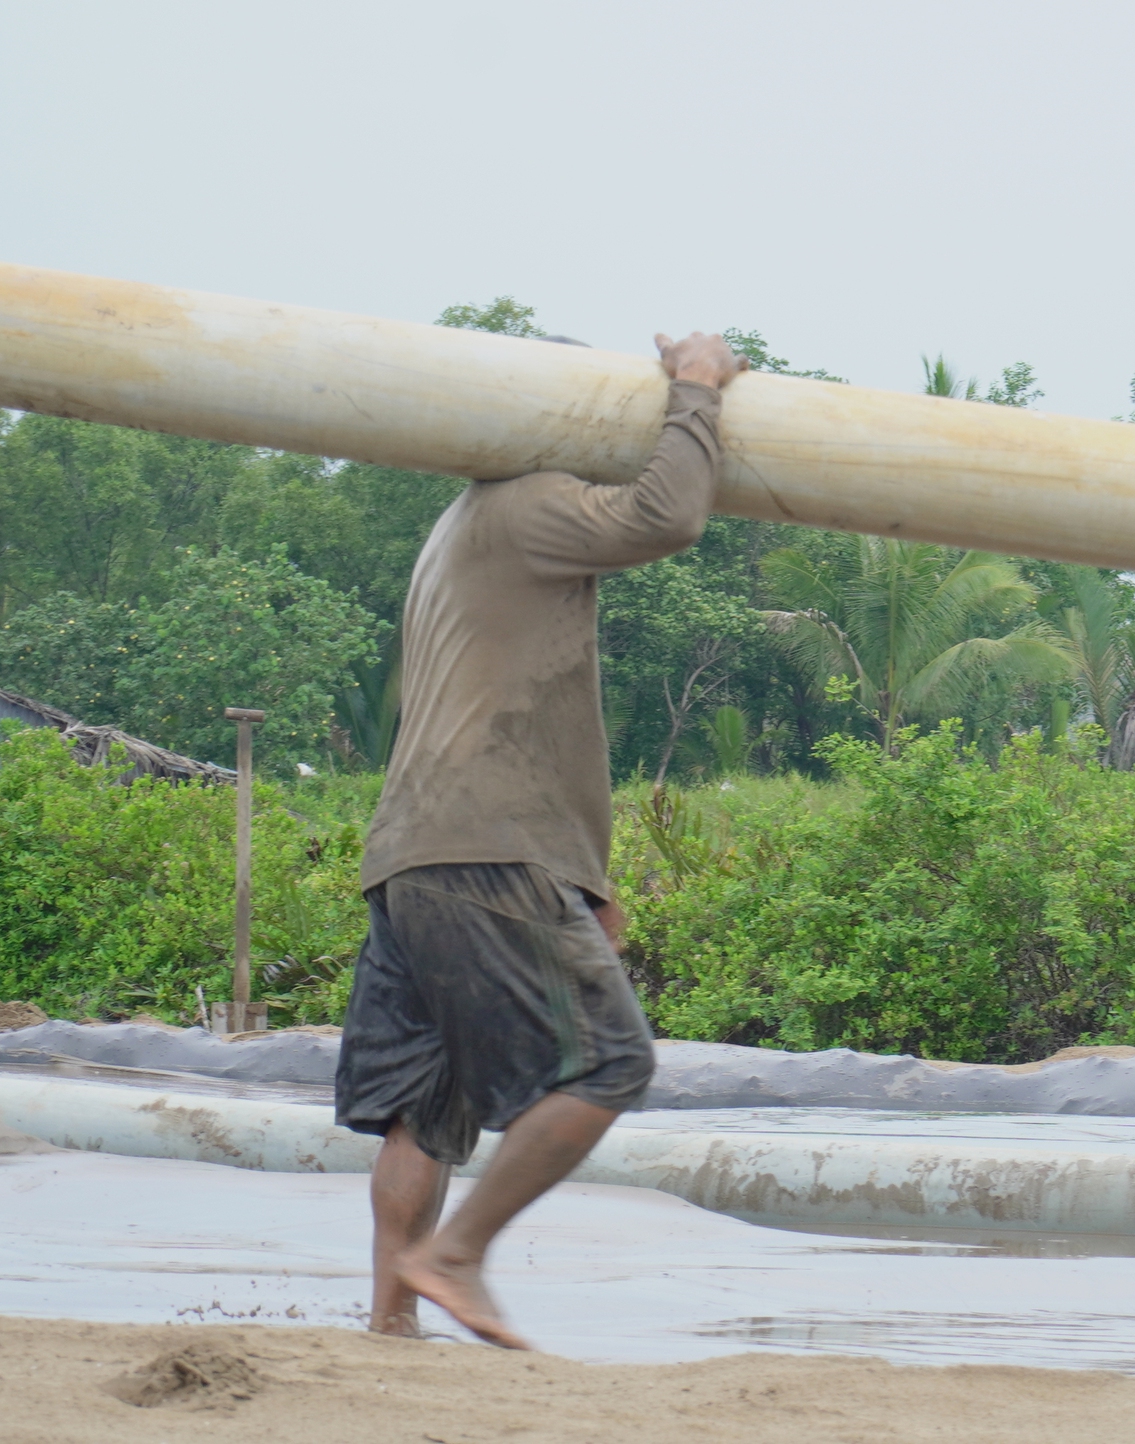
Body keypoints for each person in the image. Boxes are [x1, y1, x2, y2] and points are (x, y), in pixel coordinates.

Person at [336, 330, 746, 1347]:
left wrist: (585, 878)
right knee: (608, 1063)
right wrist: (694, 391)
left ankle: (392, 1318)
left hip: (414, 853)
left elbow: (518, 702)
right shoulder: (528, 505)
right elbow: (670, 512)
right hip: (489, 847)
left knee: (423, 1108)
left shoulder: (453, 525)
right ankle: (456, 1254)